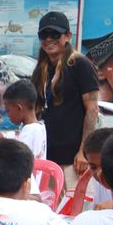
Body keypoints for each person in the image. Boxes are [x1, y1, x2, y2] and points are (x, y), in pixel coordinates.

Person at [29, 11, 99, 186]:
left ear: (68, 36)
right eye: (44, 34)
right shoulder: (41, 69)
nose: (49, 39)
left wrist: (83, 152)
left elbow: (92, 109)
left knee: (72, 211)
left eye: (55, 34)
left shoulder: (80, 64)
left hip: (74, 161)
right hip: (47, 158)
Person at [3, 79, 46, 160]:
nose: (7, 115)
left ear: (19, 108)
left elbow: (19, 163)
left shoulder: (27, 133)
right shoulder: (40, 126)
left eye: (8, 110)